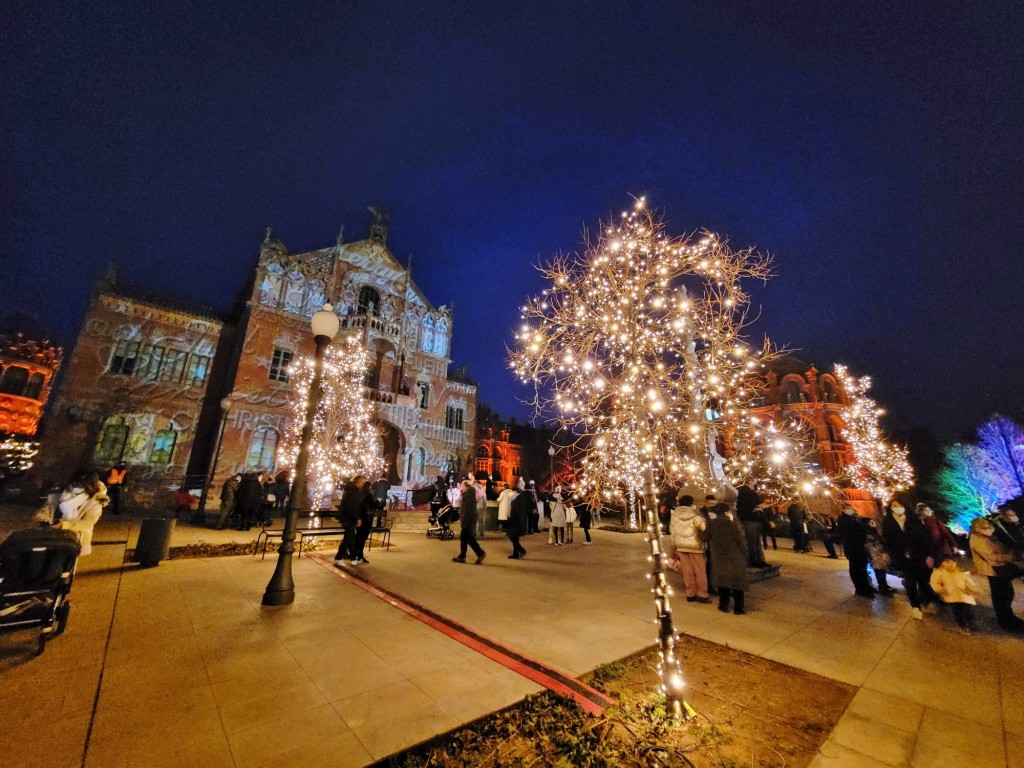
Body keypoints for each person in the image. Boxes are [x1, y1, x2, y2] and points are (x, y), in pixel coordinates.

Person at [969, 516, 1024, 633]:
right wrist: (1013, 557)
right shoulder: (977, 539)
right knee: (1000, 595)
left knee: (1007, 592)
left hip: (999, 569)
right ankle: (1005, 621)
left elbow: (1001, 548)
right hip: (992, 570)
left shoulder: (988, 535)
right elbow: (992, 557)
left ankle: (1008, 618)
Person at [882, 501, 932, 620]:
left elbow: (925, 538)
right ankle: (915, 606)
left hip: (919, 555)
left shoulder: (913, 520)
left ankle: (926, 600)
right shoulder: (888, 521)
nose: (897, 508)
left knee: (923, 581)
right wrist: (888, 552)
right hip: (903, 557)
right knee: (910, 582)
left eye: (899, 505)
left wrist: (929, 555)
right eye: (894, 506)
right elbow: (887, 539)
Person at [700, 503, 749, 614]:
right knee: (737, 583)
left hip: (719, 556)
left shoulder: (711, 524)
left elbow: (704, 537)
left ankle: (723, 605)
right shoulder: (732, 524)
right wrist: (745, 553)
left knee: (722, 583)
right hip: (734, 555)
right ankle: (738, 608)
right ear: (727, 512)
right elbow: (740, 540)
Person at [52, 470, 108, 556]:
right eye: (75, 482)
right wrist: (42, 520)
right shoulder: (65, 493)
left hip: (74, 540)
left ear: (89, 486)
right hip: (53, 535)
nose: (76, 486)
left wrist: (64, 525)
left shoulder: (95, 501)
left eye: (80, 484)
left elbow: (87, 522)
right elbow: (47, 509)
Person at [669, 493, 710, 603]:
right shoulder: (696, 515)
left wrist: (674, 545)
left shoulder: (674, 515)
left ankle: (690, 593)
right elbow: (704, 528)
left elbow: (672, 531)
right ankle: (702, 593)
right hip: (695, 545)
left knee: (687, 571)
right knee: (700, 570)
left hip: (681, 546)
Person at [929, 557, 978, 634]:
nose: (950, 564)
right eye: (947, 562)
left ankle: (970, 622)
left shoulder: (959, 572)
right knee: (957, 611)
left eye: (952, 562)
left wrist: (970, 588)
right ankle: (962, 625)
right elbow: (934, 582)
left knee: (968, 609)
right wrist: (940, 590)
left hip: (964, 595)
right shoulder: (939, 573)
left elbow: (968, 580)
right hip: (951, 596)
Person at [837, 507, 874, 598]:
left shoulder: (855, 518)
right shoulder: (843, 520)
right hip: (852, 548)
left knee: (862, 568)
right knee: (856, 569)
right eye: (847, 508)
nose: (849, 510)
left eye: (850, 508)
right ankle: (860, 589)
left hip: (861, 547)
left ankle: (866, 587)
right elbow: (846, 532)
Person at [334, 474, 371, 564]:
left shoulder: (351, 490)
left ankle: (352, 557)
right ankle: (339, 557)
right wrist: (357, 518)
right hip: (348, 518)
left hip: (347, 517)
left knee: (350, 536)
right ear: (358, 482)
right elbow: (352, 506)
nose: (363, 484)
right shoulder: (353, 492)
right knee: (349, 537)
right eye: (362, 482)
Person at [453, 476, 486, 564]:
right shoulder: (470, 493)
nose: (461, 487)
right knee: (467, 537)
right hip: (470, 517)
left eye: (462, 485)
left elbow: (466, 508)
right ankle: (468, 555)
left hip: (468, 518)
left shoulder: (468, 494)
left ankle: (477, 553)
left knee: (465, 537)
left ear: (465, 486)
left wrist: (463, 518)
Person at [736, 480, 767, 567]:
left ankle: (759, 559)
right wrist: (757, 506)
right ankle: (754, 560)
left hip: (755, 518)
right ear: (749, 481)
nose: (756, 482)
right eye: (754, 480)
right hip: (750, 518)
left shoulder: (750, 491)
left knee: (757, 541)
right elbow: (745, 506)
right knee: (752, 541)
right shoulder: (745, 491)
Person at [864, 529, 895, 596]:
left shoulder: (874, 529)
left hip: (879, 553)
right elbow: (870, 544)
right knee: (879, 571)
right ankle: (882, 588)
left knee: (882, 570)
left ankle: (884, 586)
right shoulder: (867, 532)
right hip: (874, 554)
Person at [506, 478, 530, 559]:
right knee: (514, 538)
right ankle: (518, 552)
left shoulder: (516, 500)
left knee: (513, 537)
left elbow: (516, 512)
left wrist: (511, 519)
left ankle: (519, 552)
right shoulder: (518, 499)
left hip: (516, 521)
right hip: (518, 521)